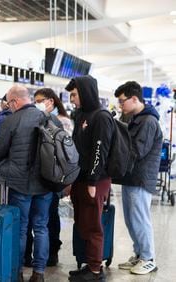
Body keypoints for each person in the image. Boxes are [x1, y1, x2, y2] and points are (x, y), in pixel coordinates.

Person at [0, 85, 56, 282]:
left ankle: (18, 272)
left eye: (9, 102)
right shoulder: (49, 117)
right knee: (41, 227)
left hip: (20, 182)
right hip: (46, 182)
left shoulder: (12, 120)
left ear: (14, 101)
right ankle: (39, 273)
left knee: (21, 228)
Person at [65, 75, 114, 281]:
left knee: (93, 225)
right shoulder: (81, 114)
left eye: (74, 94)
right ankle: (88, 263)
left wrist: (93, 181)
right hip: (80, 178)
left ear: (85, 92)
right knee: (83, 223)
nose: (72, 99)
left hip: (95, 180)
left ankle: (95, 270)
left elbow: (99, 151)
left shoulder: (100, 117)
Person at [114, 81, 161, 275]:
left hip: (141, 178)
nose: (120, 105)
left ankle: (148, 258)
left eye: (122, 101)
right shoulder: (136, 118)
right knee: (131, 220)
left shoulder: (148, 121)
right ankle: (139, 254)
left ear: (134, 99)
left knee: (140, 219)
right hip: (131, 177)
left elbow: (136, 150)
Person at [24, 88, 72, 267]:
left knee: (49, 217)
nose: (36, 103)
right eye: (34, 100)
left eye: (40, 100)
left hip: (53, 177)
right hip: (43, 176)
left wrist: (66, 181)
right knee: (43, 219)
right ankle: (40, 257)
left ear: (50, 101)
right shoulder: (38, 119)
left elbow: (65, 154)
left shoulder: (61, 121)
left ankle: (52, 252)